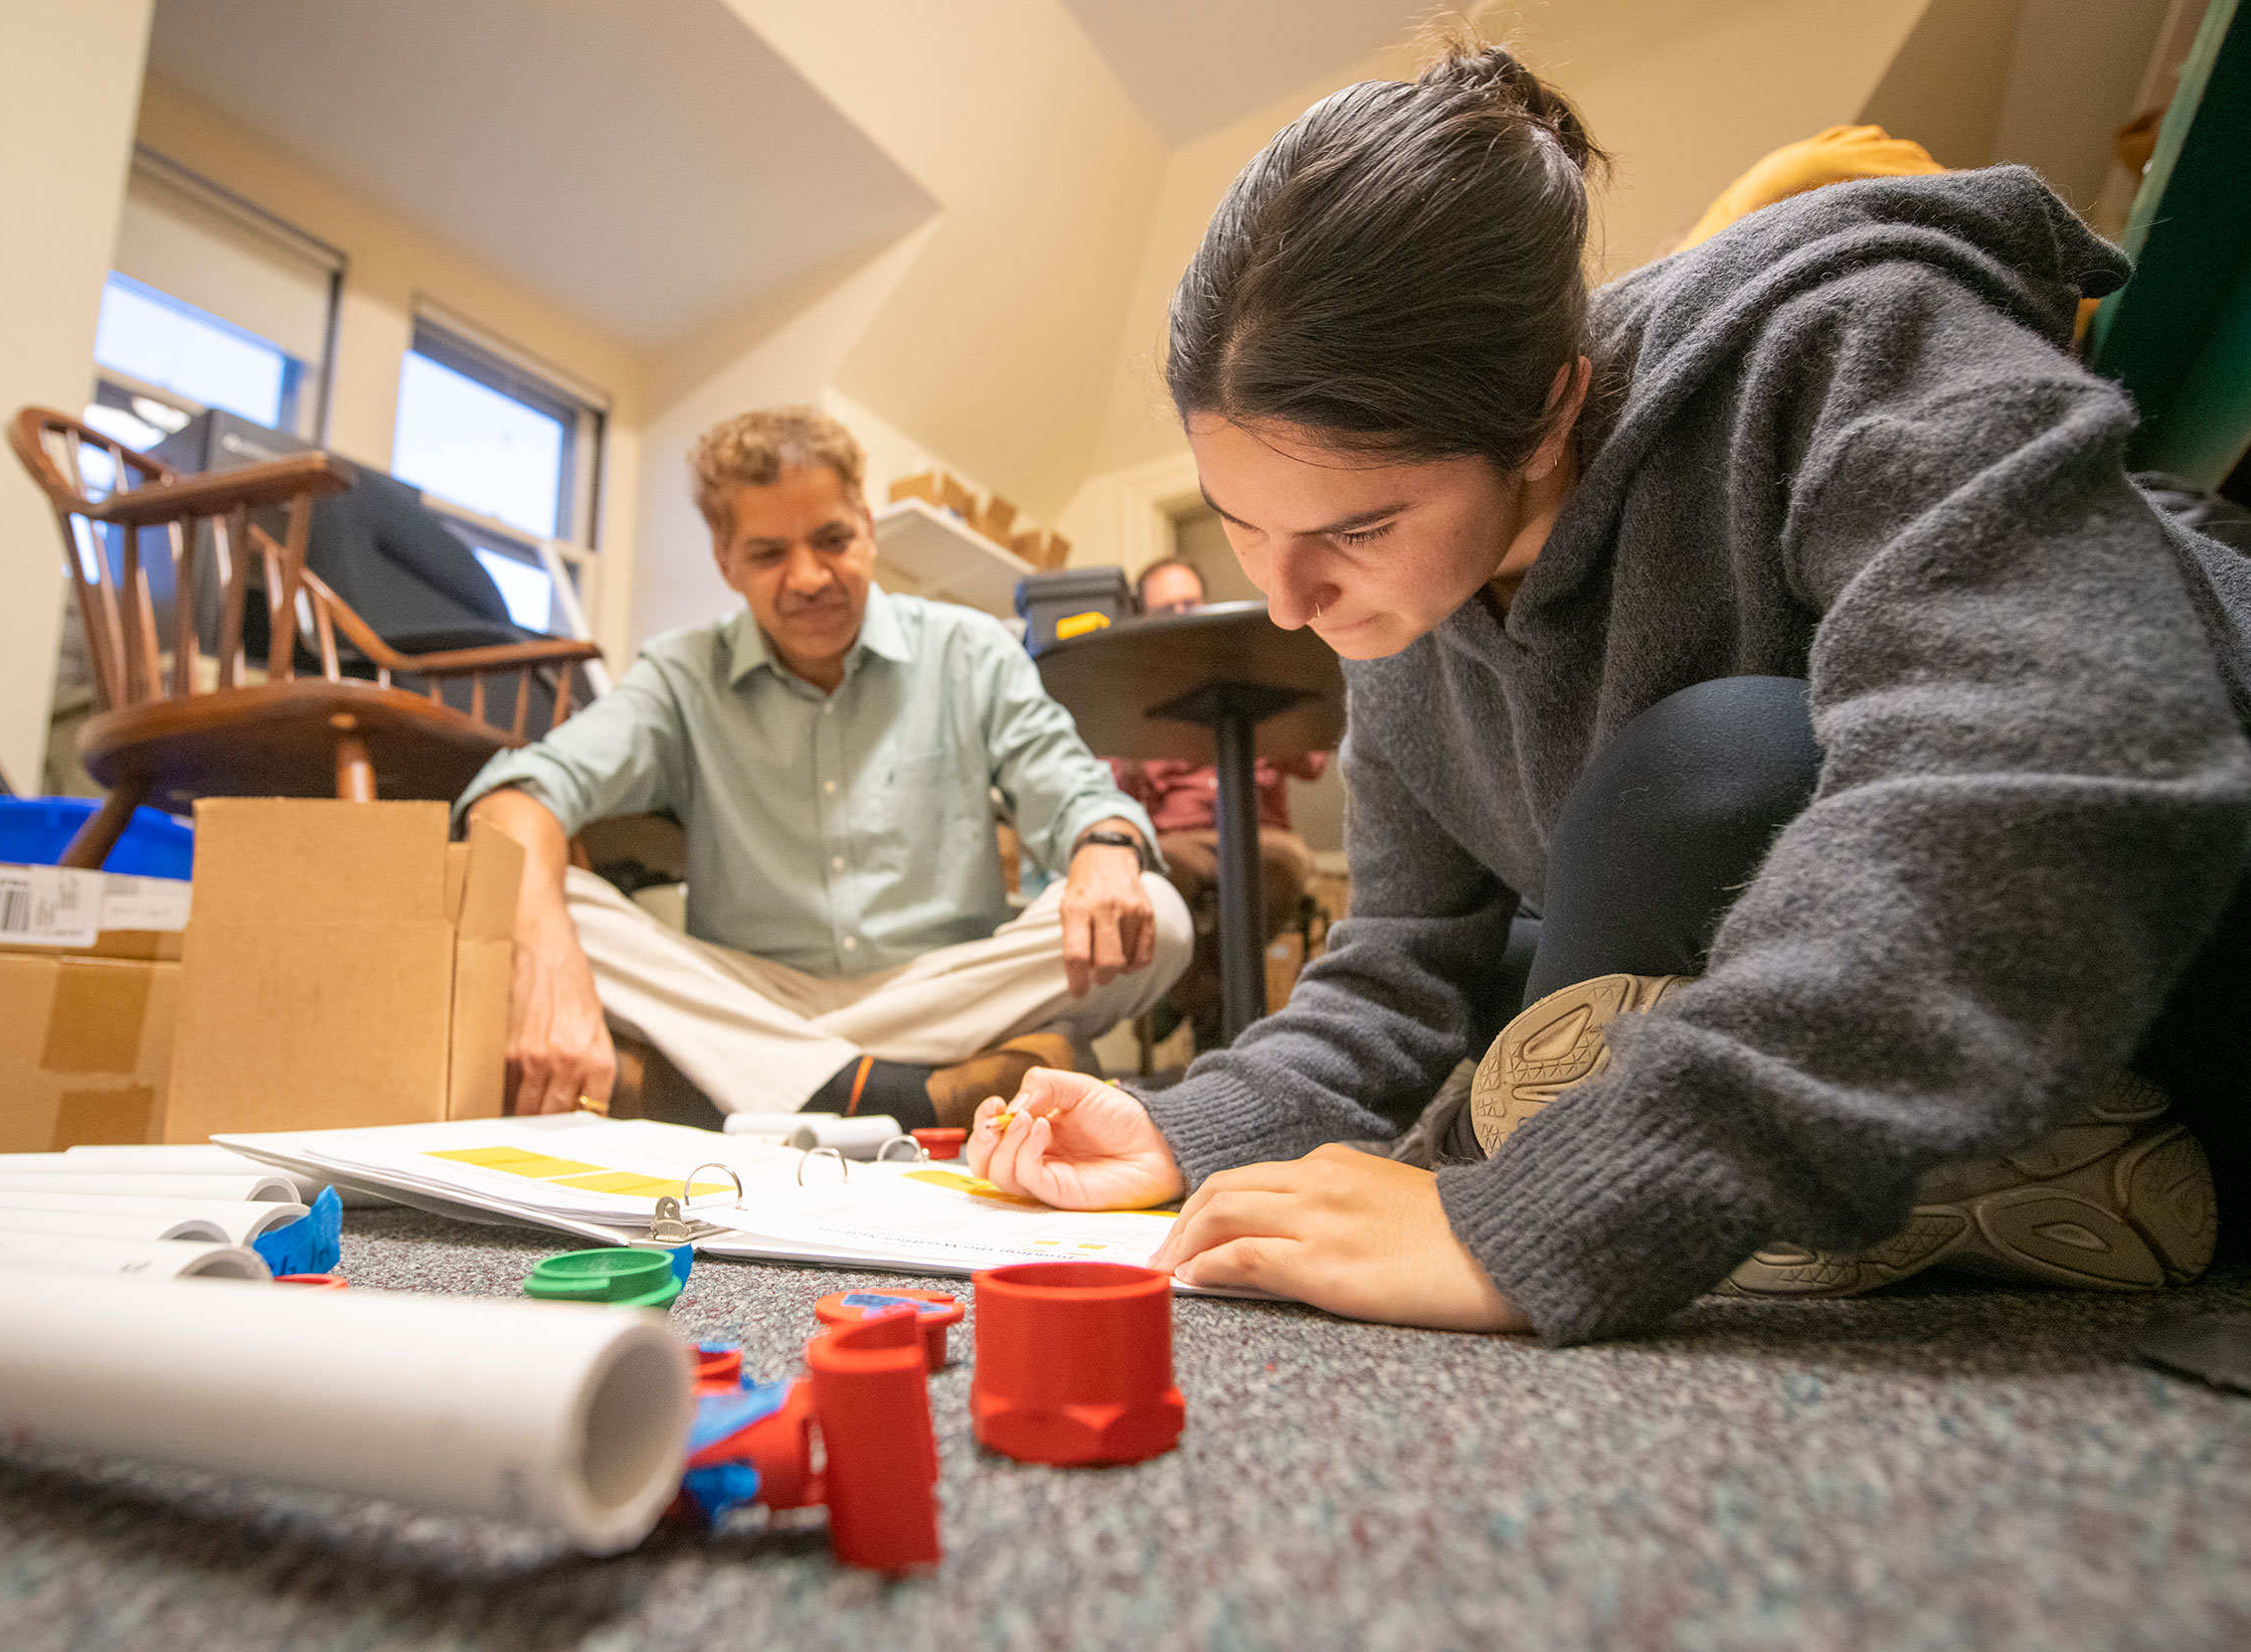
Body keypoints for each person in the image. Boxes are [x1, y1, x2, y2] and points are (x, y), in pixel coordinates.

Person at [961, 41, 2251, 1345]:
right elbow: (1402, 966)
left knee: (1703, 775)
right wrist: (1180, 1124)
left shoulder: (1836, 329)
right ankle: (1952, 1155)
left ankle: (1823, 1153)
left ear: (1548, 412)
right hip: (1963, 1012)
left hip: (2180, 917)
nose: (1290, 602)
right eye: (1240, 523)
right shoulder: (1398, 632)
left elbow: (2052, 755)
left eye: (1357, 526)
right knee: (1532, 959)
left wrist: (1560, 1207)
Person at [459, 407, 1191, 1129]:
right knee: (554, 902)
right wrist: (547, 948)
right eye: (769, 553)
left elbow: (1069, 786)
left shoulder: (970, 650)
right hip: (755, 990)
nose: (808, 577)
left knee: (1159, 913)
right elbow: (514, 798)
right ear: (727, 561)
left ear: (868, 530)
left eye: (832, 539)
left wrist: (1103, 843)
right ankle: (900, 1095)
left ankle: (756, 1084)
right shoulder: (681, 673)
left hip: (942, 985)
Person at [1110, 556, 1330, 1036]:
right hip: (1175, 839)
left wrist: (1268, 708)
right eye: (1169, 609)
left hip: (1262, 837)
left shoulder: (1256, 667)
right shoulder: (1133, 692)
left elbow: (1313, 760)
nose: (1185, 616)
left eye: (1191, 603)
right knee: (1159, 876)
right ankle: (1213, 1010)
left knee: (1276, 869)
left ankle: (1190, 998)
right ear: (1146, 619)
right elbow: (1117, 795)